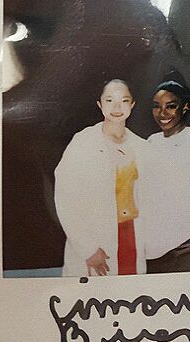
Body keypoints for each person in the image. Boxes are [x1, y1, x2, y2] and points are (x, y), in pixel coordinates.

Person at [54, 79, 149, 277]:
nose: (117, 107)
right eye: (109, 100)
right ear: (100, 104)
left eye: (124, 101)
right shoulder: (83, 143)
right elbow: (66, 200)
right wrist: (87, 248)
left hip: (131, 236)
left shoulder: (142, 146)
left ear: (132, 104)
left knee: (130, 297)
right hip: (95, 238)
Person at [144, 72, 190, 273]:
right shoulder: (151, 141)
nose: (162, 113)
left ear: (185, 107)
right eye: (157, 106)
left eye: (170, 106)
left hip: (184, 249)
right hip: (149, 252)